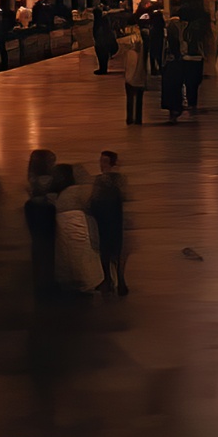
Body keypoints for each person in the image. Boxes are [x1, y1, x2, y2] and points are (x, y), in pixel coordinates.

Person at [52, 164, 101, 293]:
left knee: (70, 254)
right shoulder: (78, 190)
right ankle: (84, 281)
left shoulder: (63, 194)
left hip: (66, 224)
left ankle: (76, 282)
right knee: (79, 253)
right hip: (75, 223)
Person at [90, 151, 128, 293]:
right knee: (108, 250)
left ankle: (115, 279)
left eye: (105, 161)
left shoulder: (107, 180)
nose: (102, 165)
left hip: (113, 217)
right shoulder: (113, 179)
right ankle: (112, 279)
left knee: (114, 250)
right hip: (107, 218)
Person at [24, 148, 57, 298]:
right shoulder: (47, 180)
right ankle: (48, 283)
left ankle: (39, 282)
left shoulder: (31, 178)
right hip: (44, 211)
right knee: (48, 248)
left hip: (32, 210)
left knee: (37, 246)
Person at [121, 23, 148, 125]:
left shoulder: (130, 53)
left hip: (130, 79)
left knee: (130, 99)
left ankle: (130, 118)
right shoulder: (142, 52)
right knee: (139, 99)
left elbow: (128, 67)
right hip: (139, 78)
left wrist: (127, 78)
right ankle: (138, 119)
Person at [160, 28, 186, 124]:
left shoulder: (167, 44)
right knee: (175, 90)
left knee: (170, 90)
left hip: (169, 68)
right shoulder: (176, 43)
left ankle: (172, 109)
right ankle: (175, 109)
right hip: (175, 68)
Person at [92, 7, 116, 77]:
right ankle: (102, 68)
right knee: (102, 56)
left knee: (102, 55)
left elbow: (100, 31)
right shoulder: (102, 20)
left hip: (102, 42)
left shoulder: (99, 21)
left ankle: (103, 69)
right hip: (102, 41)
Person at [146, 5, 166, 74]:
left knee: (152, 51)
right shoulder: (159, 15)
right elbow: (163, 24)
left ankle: (153, 69)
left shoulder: (152, 16)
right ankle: (160, 67)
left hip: (153, 35)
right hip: (159, 35)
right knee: (159, 52)